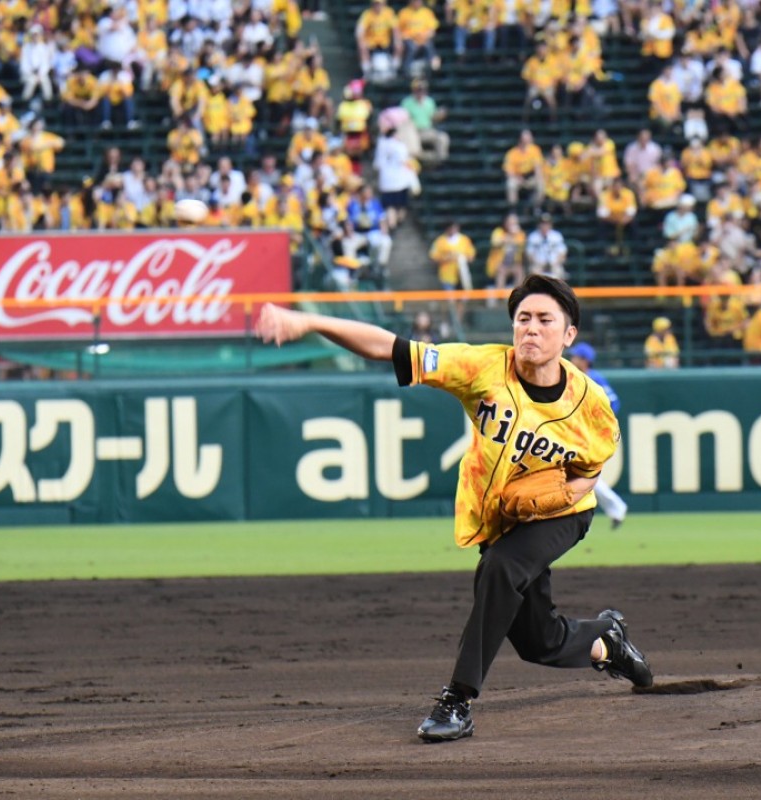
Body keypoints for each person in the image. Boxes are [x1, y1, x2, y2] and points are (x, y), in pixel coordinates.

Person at [254, 275, 653, 743]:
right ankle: (608, 641)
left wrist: (560, 495)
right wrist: (308, 320)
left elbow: (595, 466)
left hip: (564, 515)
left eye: (546, 320)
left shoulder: (590, 404)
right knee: (536, 641)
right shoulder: (483, 368)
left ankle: (457, 700)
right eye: (523, 318)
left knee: (500, 571)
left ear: (568, 335)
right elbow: (390, 347)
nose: (531, 329)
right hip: (500, 518)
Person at [567, 343, 628, 528]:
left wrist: (596, 421)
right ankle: (616, 508)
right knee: (579, 475)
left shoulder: (594, 379)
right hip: (576, 433)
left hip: (589, 435)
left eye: (576, 356)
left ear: (585, 360)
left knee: (579, 474)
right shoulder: (573, 377)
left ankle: (615, 508)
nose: (572, 359)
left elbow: (614, 403)